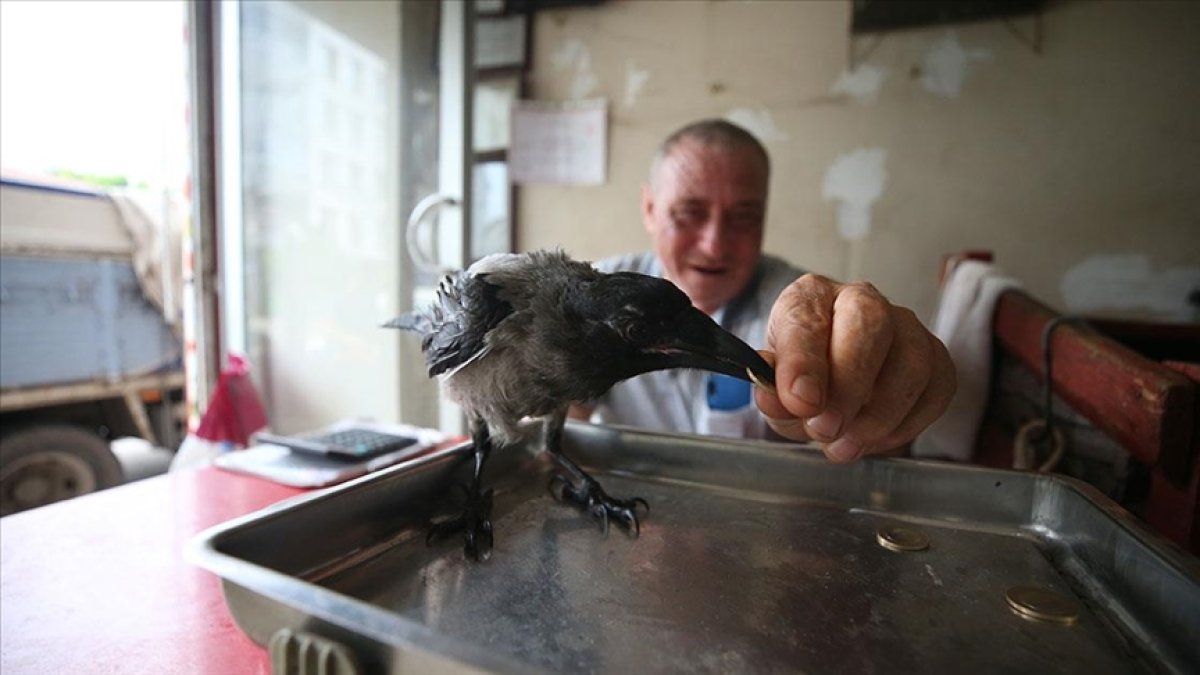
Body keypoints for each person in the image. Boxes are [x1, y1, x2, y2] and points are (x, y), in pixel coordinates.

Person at [569, 119, 955, 463]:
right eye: (689, 213)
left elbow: (880, 450)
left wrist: (879, 404)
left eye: (744, 219)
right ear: (650, 209)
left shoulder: (803, 315)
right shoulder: (593, 301)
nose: (714, 245)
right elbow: (562, 423)